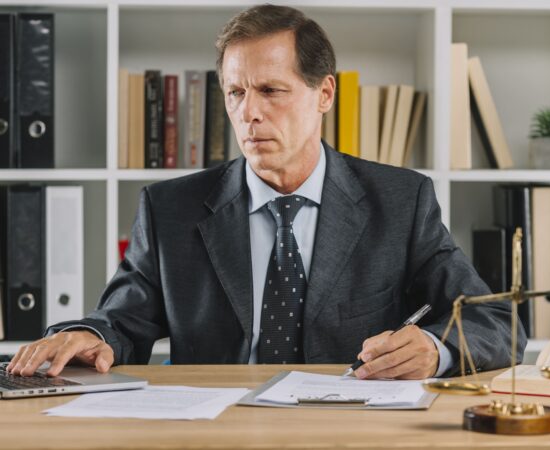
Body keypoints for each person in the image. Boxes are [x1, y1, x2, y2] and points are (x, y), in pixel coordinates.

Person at [8, 4, 524, 380]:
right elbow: (122, 319)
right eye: (235, 92)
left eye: (271, 90)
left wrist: (437, 348)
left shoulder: (401, 201)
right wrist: (89, 336)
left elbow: (497, 320)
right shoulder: (170, 209)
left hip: (352, 428)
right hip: (214, 429)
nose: (248, 112)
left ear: (324, 93)